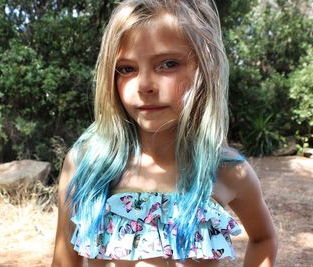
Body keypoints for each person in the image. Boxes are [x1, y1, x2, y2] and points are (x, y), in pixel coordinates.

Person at [52, 0, 278, 266]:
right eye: (126, 69)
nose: (144, 84)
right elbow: (64, 261)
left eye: (168, 64)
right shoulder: (86, 163)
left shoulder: (227, 171)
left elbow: (263, 239)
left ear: (203, 70)